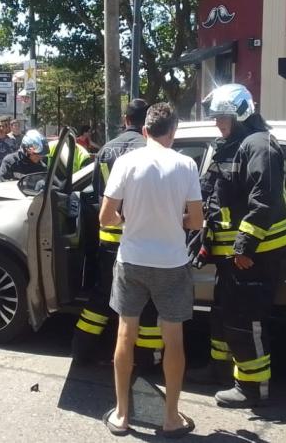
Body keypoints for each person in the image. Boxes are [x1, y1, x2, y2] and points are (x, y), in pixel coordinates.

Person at [100, 102, 203, 437]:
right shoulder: (186, 164)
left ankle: (121, 415)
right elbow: (197, 220)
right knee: (173, 339)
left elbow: (106, 217)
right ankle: (171, 417)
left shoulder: (126, 162)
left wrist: (126, 218)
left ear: (144, 130)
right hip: (172, 263)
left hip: (131, 260)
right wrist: (176, 219)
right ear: (172, 132)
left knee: (125, 334)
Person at [197, 83, 286, 408]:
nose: (217, 123)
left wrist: (244, 247)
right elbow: (216, 198)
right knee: (223, 312)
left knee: (245, 318)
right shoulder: (233, 145)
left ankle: (253, 388)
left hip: (255, 256)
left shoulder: (259, 145)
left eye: (222, 116)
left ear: (239, 114)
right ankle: (221, 370)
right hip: (230, 255)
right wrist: (209, 243)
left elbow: (262, 200)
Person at [71, 99, 164, 369]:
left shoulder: (107, 150)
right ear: (147, 123)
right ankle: (147, 359)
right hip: (140, 239)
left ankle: (82, 347)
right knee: (147, 301)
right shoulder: (149, 149)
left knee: (103, 295)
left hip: (110, 237)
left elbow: (100, 194)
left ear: (125, 119)